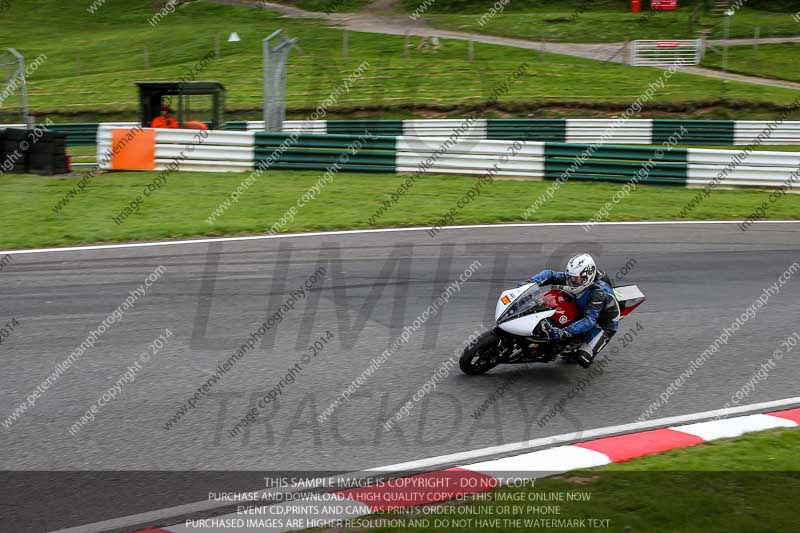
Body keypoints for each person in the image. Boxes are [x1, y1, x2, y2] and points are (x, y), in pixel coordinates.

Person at [524, 253, 620, 368]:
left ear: (587, 276)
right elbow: (550, 274)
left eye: (576, 279)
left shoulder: (598, 293)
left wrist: (564, 332)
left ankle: (574, 347)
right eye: (570, 277)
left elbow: (590, 321)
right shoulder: (576, 277)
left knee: (582, 359)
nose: (572, 281)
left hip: (602, 324)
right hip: (582, 305)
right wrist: (528, 284)